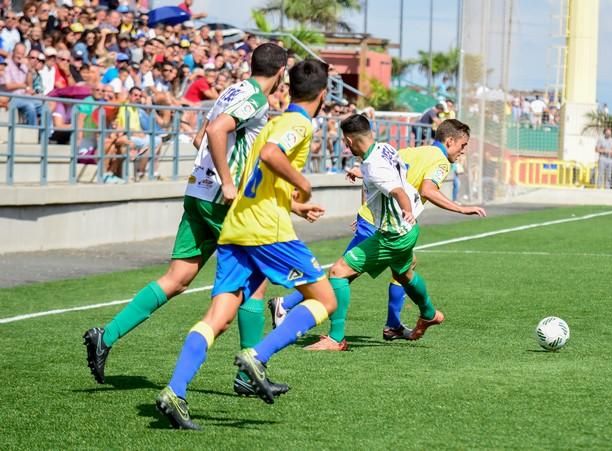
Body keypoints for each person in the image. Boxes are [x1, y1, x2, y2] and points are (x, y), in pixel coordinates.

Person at [82, 43, 288, 388]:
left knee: (177, 277)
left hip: (197, 192)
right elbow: (214, 131)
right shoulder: (255, 97)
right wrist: (228, 180)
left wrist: (216, 170)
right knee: (255, 283)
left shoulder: (231, 89)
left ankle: (106, 336)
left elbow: (198, 138)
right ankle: (248, 374)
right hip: (221, 200)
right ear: (281, 72)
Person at [155, 59, 334, 429]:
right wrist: (304, 184)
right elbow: (272, 158)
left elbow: (259, 174)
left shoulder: (270, 122)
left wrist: (295, 204)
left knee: (217, 318)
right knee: (325, 299)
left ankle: (175, 390)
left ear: (288, 87)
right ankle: (258, 354)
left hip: (237, 226)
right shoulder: (297, 123)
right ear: (323, 94)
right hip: (266, 230)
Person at [272, 119, 486, 351]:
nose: (463, 151)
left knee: (342, 273)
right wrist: (460, 208)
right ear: (450, 140)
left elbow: (394, 180)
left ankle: (336, 336)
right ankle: (424, 314)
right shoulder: (436, 161)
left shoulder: (410, 150)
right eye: (463, 145)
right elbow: (411, 184)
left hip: (391, 226)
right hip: (393, 225)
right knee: (382, 272)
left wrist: (372, 188)